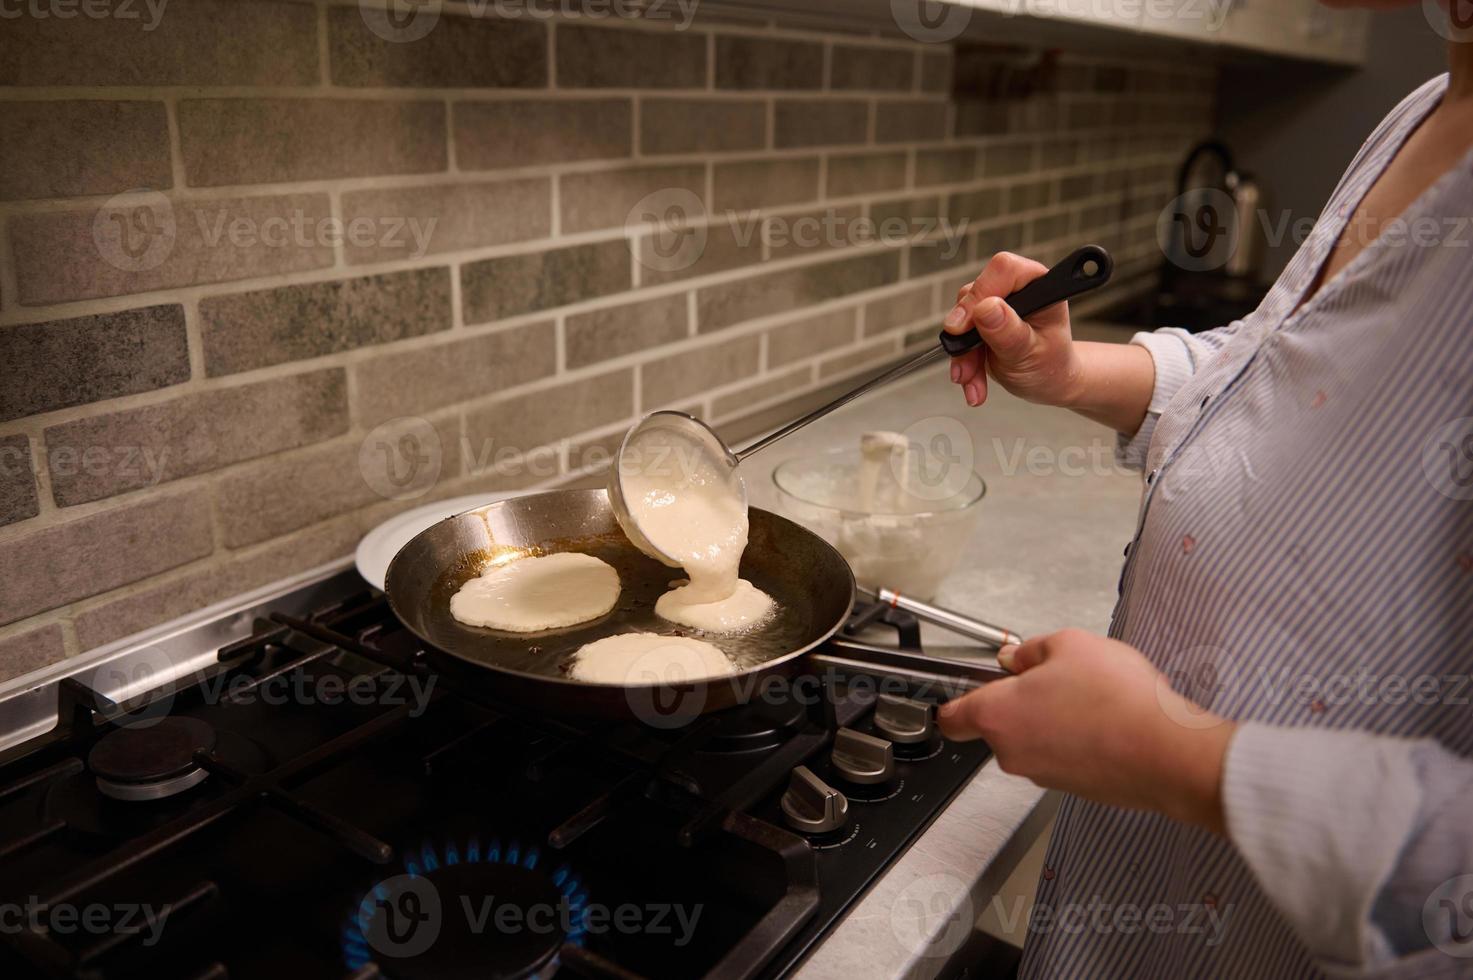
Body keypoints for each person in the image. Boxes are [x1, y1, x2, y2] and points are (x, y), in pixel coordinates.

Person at [935, 3, 1473, 976]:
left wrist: (1176, 757)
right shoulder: (1433, 103)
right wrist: (1072, 375)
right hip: (1145, 893)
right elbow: (1272, 370)